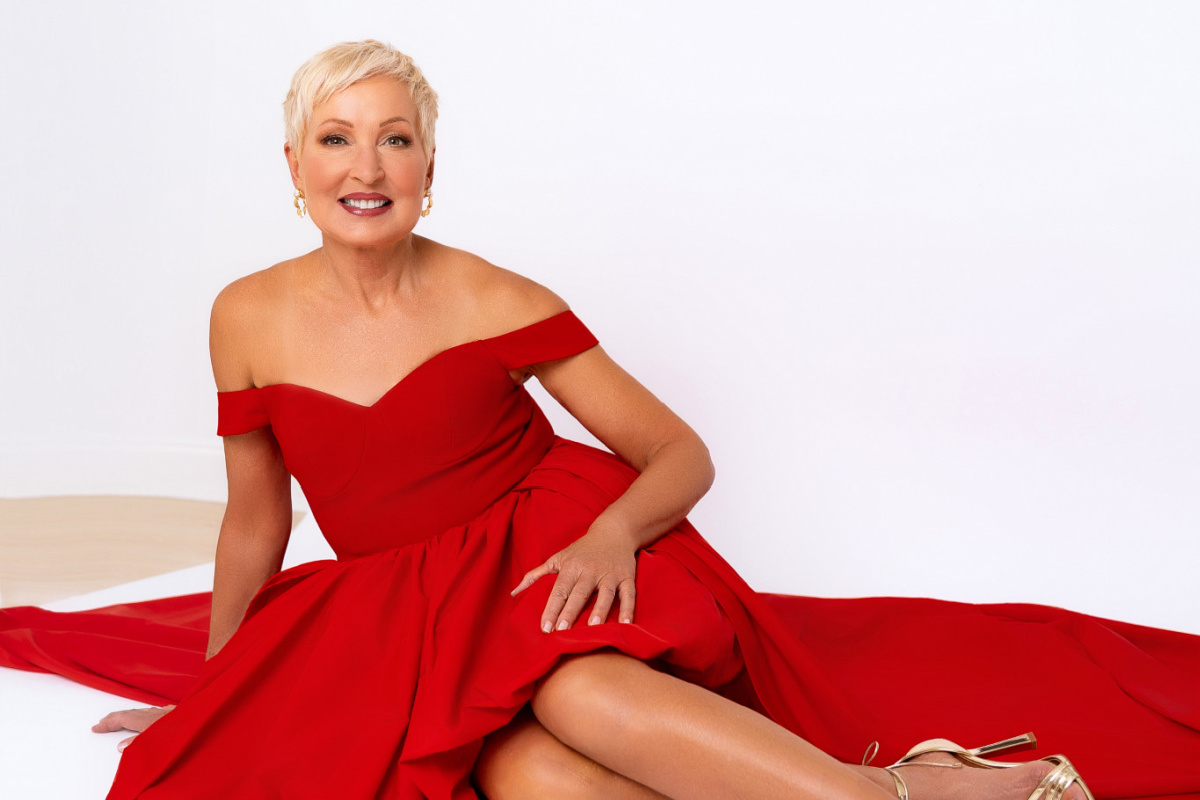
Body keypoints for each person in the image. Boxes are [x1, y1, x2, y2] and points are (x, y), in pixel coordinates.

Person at [3, 39, 1198, 800]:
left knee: (573, 696)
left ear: (428, 165)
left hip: (551, 557)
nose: (365, 164)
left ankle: (890, 799)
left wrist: (613, 536)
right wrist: (225, 686)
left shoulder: (494, 296)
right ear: (295, 162)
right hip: (404, 607)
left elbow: (679, 450)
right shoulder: (245, 315)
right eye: (336, 137)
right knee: (529, 774)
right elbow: (253, 524)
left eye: (395, 137)